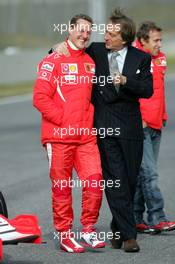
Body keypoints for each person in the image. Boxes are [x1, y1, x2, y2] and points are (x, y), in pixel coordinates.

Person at [52, 8, 153, 252]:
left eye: (111, 34)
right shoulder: (96, 51)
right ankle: (129, 237)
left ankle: (119, 226)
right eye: (106, 32)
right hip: (104, 129)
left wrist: (127, 82)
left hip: (130, 130)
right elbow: (72, 48)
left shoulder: (141, 58)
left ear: (125, 38)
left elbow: (147, 90)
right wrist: (56, 46)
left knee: (129, 181)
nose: (105, 37)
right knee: (115, 181)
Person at [33, 14, 105, 253]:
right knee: (62, 188)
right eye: (80, 30)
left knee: (94, 182)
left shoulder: (90, 62)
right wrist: (63, 121)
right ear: (71, 30)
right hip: (59, 136)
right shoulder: (53, 60)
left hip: (85, 137)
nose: (84, 35)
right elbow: (40, 98)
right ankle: (64, 234)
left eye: (88, 32)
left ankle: (88, 229)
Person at [133, 21, 175, 233]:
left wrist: (164, 115)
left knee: (144, 174)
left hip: (157, 123)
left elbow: (159, 92)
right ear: (142, 41)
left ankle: (135, 217)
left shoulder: (162, 59)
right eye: (155, 40)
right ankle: (157, 216)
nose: (160, 44)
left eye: (160, 40)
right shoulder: (131, 58)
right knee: (149, 173)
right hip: (139, 126)